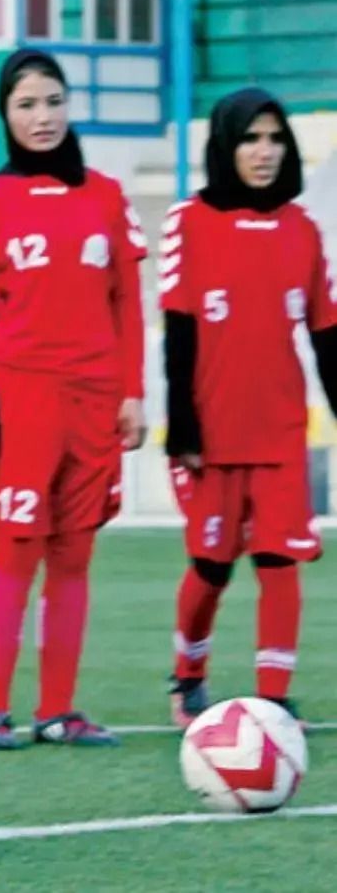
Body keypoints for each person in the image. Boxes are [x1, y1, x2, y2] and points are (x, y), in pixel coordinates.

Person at [0, 49, 147, 750]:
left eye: (53, 101)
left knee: (74, 557)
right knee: (14, 552)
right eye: (27, 104)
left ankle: (58, 711)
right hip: (22, 400)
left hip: (95, 403)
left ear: (70, 107)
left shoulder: (108, 197)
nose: (43, 116)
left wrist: (133, 394)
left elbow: (127, 304)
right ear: (5, 114)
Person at [162, 88, 334, 728]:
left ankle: (273, 699)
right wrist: (182, 426)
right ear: (225, 145)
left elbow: (326, 334)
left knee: (279, 561)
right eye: (249, 138)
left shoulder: (303, 231)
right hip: (211, 432)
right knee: (210, 569)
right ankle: (188, 674)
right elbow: (178, 331)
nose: (263, 152)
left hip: (281, 430)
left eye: (274, 139)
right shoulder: (189, 222)